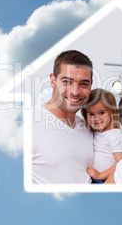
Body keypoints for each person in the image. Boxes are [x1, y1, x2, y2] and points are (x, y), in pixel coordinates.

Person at [32, 50, 94, 184]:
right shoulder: (29, 122)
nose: (75, 92)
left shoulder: (89, 128)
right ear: (53, 81)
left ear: (90, 85)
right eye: (67, 81)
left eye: (83, 84)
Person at [81, 89, 122, 183]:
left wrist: (100, 175)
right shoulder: (97, 133)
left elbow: (121, 162)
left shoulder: (114, 135)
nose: (96, 118)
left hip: (107, 179)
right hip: (95, 179)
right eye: (91, 114)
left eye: (101, 113)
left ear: (112, 112)